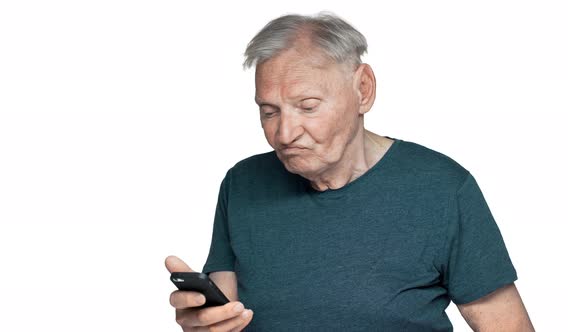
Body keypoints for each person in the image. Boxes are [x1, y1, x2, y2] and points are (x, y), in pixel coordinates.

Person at [166, 12, 535, 331]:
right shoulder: (242, 183)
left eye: (307, 107)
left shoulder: (442, 188)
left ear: (363, 90)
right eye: (269, 111)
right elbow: (227, 315)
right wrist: (204, 325)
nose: (284, 134)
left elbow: (508, 326)